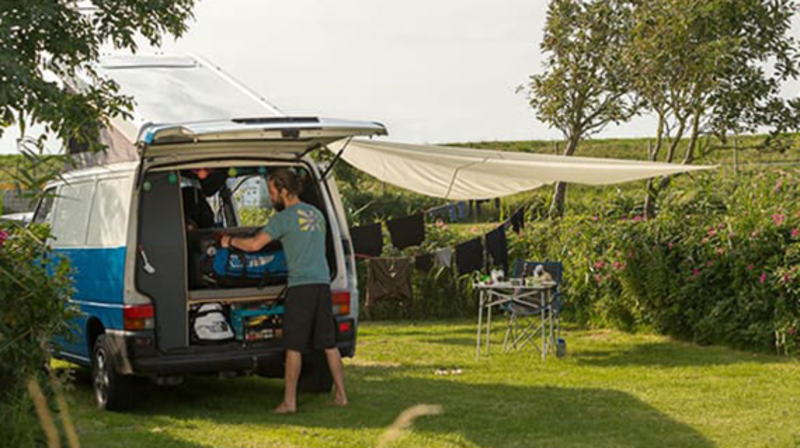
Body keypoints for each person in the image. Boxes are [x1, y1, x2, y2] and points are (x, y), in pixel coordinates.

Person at [220, 168, 347, 413]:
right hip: (322, 284)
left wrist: (229, 241)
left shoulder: (284, 218)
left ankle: (289, 402)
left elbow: (254, 245)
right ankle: (341, 395)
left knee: (294, 346)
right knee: (329, 343)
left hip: (301, 287)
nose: (271, 197)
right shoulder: (316, 214)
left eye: (272, 191)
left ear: (284, 190)